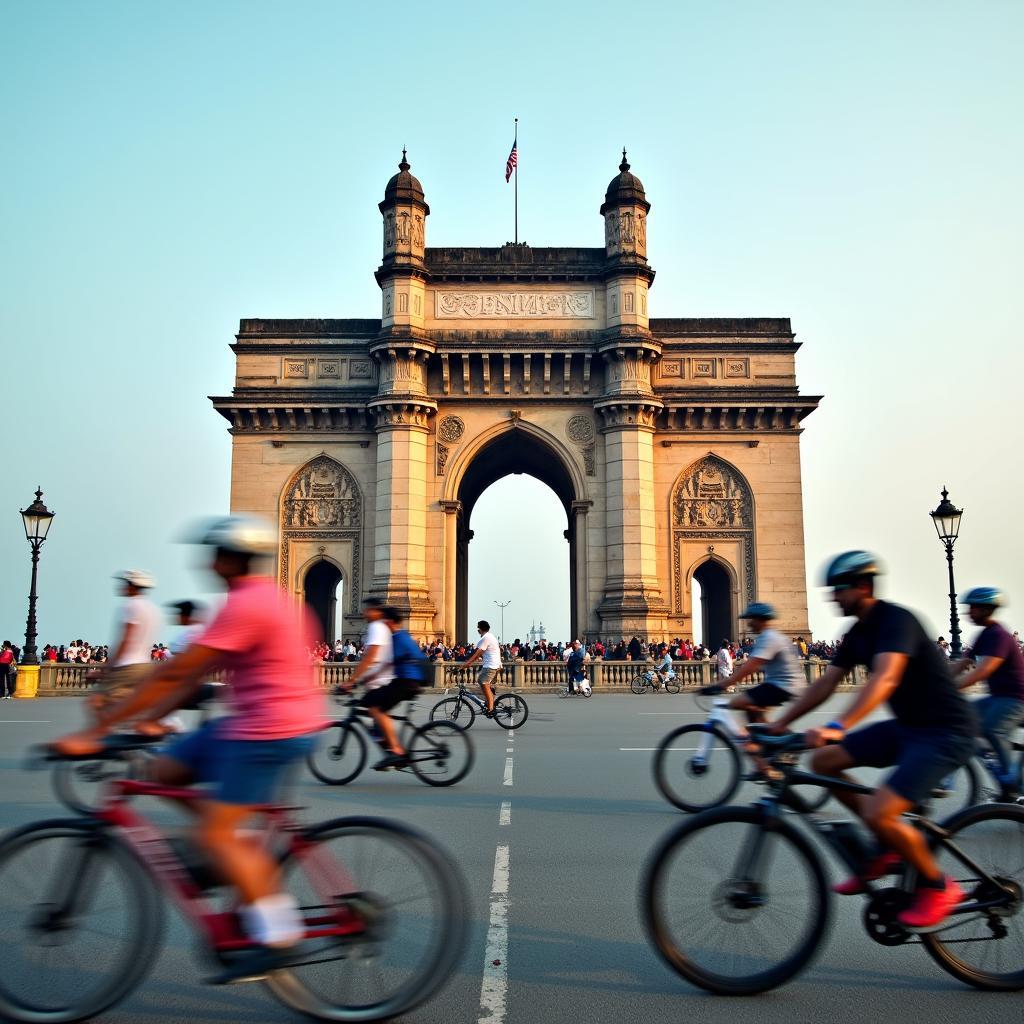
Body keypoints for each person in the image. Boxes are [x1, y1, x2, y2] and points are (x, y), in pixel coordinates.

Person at [52, 514, 327, 982]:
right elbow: (194, 676)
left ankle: (278, 932)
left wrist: (100, 731)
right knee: (165, 772)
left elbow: (177, 672)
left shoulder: (247, 606)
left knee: (216, 833)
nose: (207, 561)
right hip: (246, 719)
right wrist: (152, 720)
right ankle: (232, 851)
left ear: (228, 558)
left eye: (213, 552)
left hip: (271, 727)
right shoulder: (258, 599)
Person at [768, 551, 977, 929]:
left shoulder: (896, 621)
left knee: (881, 810)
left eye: (840, 589)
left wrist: (840, 725)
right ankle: (883, 849)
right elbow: (826, 683)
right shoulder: (858, 633)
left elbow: (886, 678)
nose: (833, 596)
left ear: (863, 587)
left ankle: (938, 884)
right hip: (909, 728)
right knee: (824, 762)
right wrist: (779, 724)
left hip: (945, 732)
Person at [953, 587, 1024, 801]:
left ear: (986, 609)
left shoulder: (999, 636)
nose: (968, 613)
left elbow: (984, 670)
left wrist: (951, 688)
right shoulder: (983, 635)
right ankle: (1003, 777)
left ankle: (1011, 785)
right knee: (960, 717)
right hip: (998, 698)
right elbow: (961, 664)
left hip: (1016, 699)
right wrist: (934, 682)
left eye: (973, 608)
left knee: (992, 730)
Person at [361, 605, 430, 767]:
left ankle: (395, 750)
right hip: (408, 681)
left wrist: (367, 677)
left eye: (384, 620)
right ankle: (392, 745)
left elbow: (387, 663)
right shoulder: (403, 635)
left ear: (390, 622)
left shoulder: (397, 638)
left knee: (376, 708)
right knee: (378, 705)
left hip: (406, 682)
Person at [724, 603, 805, 725]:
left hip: (782, 686)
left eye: (752, 619)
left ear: (760, 619)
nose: (749, 623)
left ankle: (774, 735)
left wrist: (723, 684)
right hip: (785, 685)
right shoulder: (774, 636)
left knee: (738, 702)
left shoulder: (768, 637)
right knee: (756, 716)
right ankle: (769, 738)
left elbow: (750, 667)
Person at [92, 570, 161, 709]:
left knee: (96, 701)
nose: (122, 587)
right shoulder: (153, 609)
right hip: (144, 665)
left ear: (133, 586)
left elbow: (126, 640)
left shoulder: (130, 606)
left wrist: (105, 668)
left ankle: (102, 730)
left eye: (126, 584)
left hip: (127, 666)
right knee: (131, 701)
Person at [460, 619, 501, 716]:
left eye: (478, 628)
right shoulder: (490, 636)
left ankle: (490, 708)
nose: (477, 630)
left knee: (483, 682)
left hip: (490, 666)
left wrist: (467, 664)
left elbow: (478, 653)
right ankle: (490, 701)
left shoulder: (485, 638)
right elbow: (483, 653)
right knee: (486, 685)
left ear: (480, 629)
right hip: (495, 665)